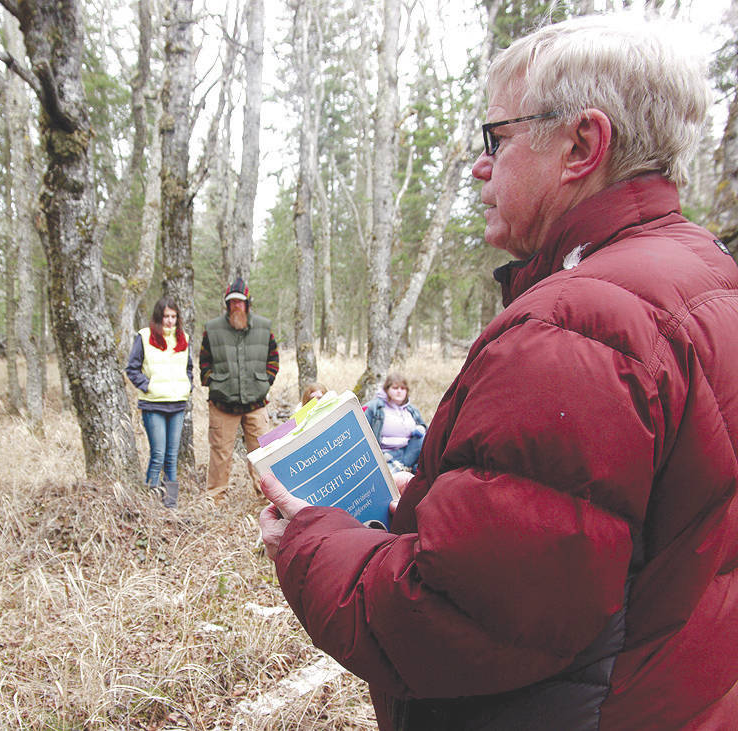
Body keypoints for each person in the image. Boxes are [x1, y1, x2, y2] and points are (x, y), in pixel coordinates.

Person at [258, 15, 738, 729]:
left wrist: (309, 538)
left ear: (582, 144)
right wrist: (431, 494)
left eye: (498, 138)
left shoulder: (577, 325)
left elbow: (460, 618)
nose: (480, 166)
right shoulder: (706, 274)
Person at [199, 277, 279, 498]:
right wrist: (213, 382)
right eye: (232, 302)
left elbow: (273, 358)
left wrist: (265, 382)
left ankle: (267, 498)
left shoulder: (264, 327)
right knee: (220, 453)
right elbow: (204, 362)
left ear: (247, 303)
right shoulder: (212, 329)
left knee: (261, 453)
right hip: (222, 404)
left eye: (240, 302)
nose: (236, 306)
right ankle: (215, 498)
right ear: (226, 305)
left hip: (256, 403)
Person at [125, 296, 193, 508]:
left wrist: (187, 386)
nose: (170, 321)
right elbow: (132, 368)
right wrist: (148, 385)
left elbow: (189, 368)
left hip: (177, 404)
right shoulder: (145, 337)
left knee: (172, 456)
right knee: (158, 454)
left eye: (173, 316)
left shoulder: (184, 339)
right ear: (158, 317)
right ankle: (152, 503)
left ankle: (170, 505)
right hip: (153, 404)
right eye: (166, 316)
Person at [363, 372, 427, 472]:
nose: (399, 392)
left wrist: (421, 428)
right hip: (386, 454)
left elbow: (424, 427)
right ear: (386, 389)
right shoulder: (375, 407)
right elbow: (362, 430)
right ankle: (397, 469)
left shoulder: (411, 410)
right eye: (395, 388)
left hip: (408, 452)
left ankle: (407, 468)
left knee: (424, 438)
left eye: (402, 388)